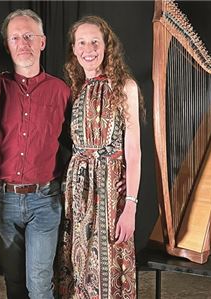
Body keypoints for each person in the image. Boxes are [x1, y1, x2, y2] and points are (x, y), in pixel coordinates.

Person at [0, 9, 71, 299]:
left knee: (40, 284)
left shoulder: (62, 91)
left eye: (29, 36)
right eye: (15, 37)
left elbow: (72, 146)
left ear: (42, 42)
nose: (23, 43)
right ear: (7, 45)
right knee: (14, 283)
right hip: (1, 199)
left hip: (45, 201)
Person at [56, 15, 145, 299]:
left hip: (108, 190)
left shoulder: (125, 87)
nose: (88, 48)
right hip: (77, 189)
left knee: (108, 265)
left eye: (95, 41)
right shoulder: (76, 88)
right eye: (81, 42)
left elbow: (133, 149)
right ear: (74, 49)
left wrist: (130, 203)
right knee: (78, 267)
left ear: (107, 46)